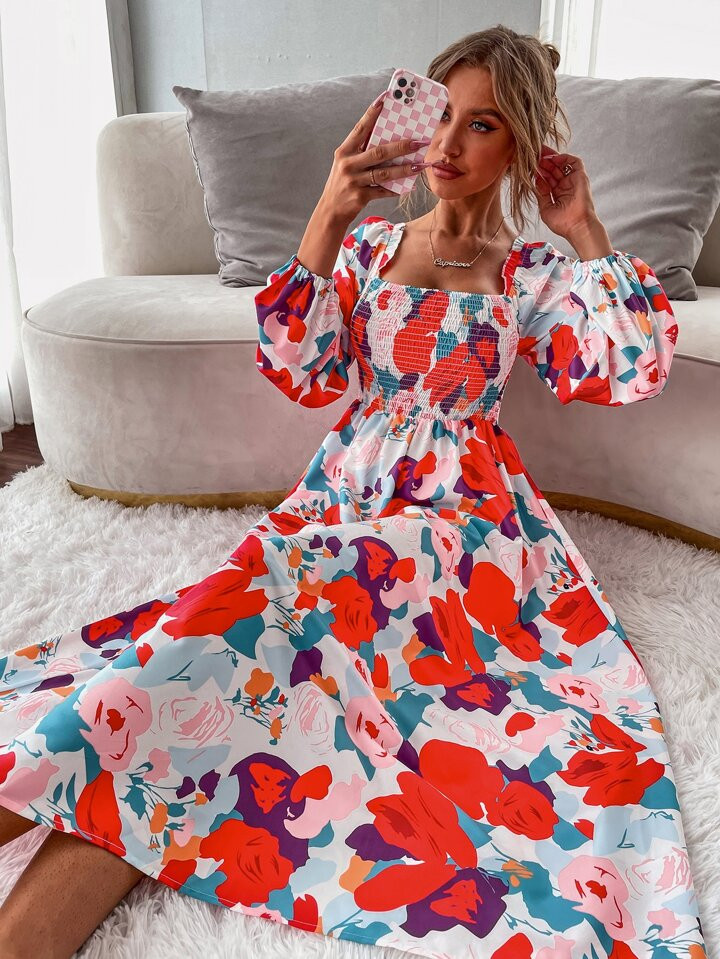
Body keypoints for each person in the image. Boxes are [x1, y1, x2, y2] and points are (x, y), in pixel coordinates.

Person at [0, 24, 707, 959]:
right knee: (225, 646)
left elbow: (628, 367)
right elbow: (302, 369)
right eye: (442, 115)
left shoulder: (530, 272)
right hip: (345, 491)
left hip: (461, 528)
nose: (449, 144)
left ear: (521, 147)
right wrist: (329, 213)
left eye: (483, 125)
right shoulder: (372, 246)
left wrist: (583, 227)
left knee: (261, 610)